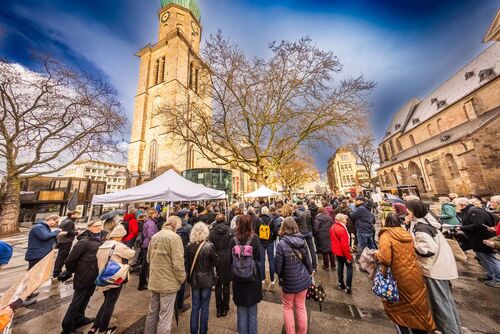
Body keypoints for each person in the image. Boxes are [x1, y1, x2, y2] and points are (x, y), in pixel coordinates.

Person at [406, 200, 462, 334]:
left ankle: (449, 331)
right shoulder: (427, 223)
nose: (406, 212)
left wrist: (411, 243)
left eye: (408, 209)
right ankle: (455, 329)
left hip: (434, 269)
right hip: (440, 267)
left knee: (440, 304)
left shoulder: (422, 228)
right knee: (445, 301)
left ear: (414, 211)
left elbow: (427, 250)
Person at [374, 213, 435, 334]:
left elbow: (385, 259)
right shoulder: (406, 234)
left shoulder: (386, 236)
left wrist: (376, 254)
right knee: (417, 307)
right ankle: (421, 329)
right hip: (414, 274)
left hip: (398, 276)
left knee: (399, 309)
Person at [61, 220, 107, 334]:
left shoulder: (100, 239)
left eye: (100, 226)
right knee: (77, 301)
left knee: (86, 298)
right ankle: (67, 328)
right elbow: (71, 260)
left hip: (93, 274)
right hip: (83, 275)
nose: (98, 228)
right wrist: (70, 271)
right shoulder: (84, 241)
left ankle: (79, 318)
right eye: (95, 226)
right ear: (89, 227)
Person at [88, 224, 135, 334]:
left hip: (103, 277)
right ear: (120, 236)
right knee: (110, 304)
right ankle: (103, 329)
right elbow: (131, 254)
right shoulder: (118, 246)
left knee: (106, 301)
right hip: (114, 278)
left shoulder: (104, 244)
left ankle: (94, 327)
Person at [144, 216, 185, 334]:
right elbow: (178, 263)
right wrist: (181, 278)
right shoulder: (175, 238)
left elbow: (148, 258)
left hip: (154, 279)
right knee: (165, 315)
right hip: (168, 281)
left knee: (152, 313)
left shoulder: (156, 236)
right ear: (175, 225)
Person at [275, 217, 313, 334]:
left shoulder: (281, 244)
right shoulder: (302, 240)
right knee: (301, 307)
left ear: (283, 228)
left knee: (288, 307)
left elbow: (278, 268)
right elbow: (308, 261)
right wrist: (309, 273)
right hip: (303, 279)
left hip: (289, 282)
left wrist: (280, 276)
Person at [456, 197, 499, 288]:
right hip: (478, 240)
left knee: (490, 260)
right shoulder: (471, 210)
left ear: (462, 205)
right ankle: (491, 275)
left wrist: (462, 228)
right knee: (484, 259)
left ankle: (498, 279)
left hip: (482, 239)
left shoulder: (473, 211)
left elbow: (478, 225)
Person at [230, 215, 262, 334]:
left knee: (241, 312)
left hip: (238, 280)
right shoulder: (255, 239)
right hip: (253, 278)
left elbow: (230, 260)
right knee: (252, 312)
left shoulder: (233, 240)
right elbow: (258, 257)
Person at [186, 223, 217, 334]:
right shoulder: (209, 246)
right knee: (204, 307)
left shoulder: (189, 246)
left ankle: (193, 331)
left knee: (195, 307)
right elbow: (215, 261)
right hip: (207, 279)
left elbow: (187, 264)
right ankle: (203, 331)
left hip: (194, 279)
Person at [209, 214, 232, 317]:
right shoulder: (230, 231)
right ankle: (225, 307)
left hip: (217, 258)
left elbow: (210, 247)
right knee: (226, 283)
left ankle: (219, 308)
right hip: (227, 258)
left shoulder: (212, 232)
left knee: (218, 284)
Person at [330, 214, 353, 294]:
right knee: (349, 267)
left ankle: (340, 283)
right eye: (345, 219)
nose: (346, 221)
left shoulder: (333, 226)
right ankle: (348, 286)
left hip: (337, 251)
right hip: (343, 251)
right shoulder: (342, 229)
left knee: (340, 265)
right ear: (341, 220)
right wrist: (348, 257)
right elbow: (344, 245)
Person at [255, 206, 277, 284]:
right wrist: (273, 239)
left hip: (261, 242)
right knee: (271, 260)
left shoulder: (258, 220)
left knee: (262, 261)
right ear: (267, 212)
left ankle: (263, 278)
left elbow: (256, 232)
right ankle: (272, 279)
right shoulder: (271, 219)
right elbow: (275, 231)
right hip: (270, 241)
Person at [53, 211, 78, 278]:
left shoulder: (64, 220)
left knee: (60, 256)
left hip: (61, 240)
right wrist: (76, 232)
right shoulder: (70, 222)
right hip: (66, 241)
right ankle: (57, 272)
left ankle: (57, 271)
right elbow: (68, 232)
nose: (77, 216)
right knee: (62, 257)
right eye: (76, 215)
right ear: (72, 215)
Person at [138, 209, 159, 290]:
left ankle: (142, 283)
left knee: (145, 264)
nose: (157, 214)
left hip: (145, 244)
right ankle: (142, 284)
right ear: (152, 214)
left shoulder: (149, 222)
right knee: (145, 265)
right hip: (148, 245)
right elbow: (151, 236)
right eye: (155, 213)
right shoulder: (150, 223)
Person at [294, 202, 317, 271]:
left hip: (301, 232)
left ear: (298, 206)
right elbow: (312, 222)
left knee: (303, 249)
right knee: (312, 249)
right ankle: (314, 265)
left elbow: (296, 221)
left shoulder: (297, 213)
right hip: (309, 231)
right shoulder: (308, 212)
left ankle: (306, 265)